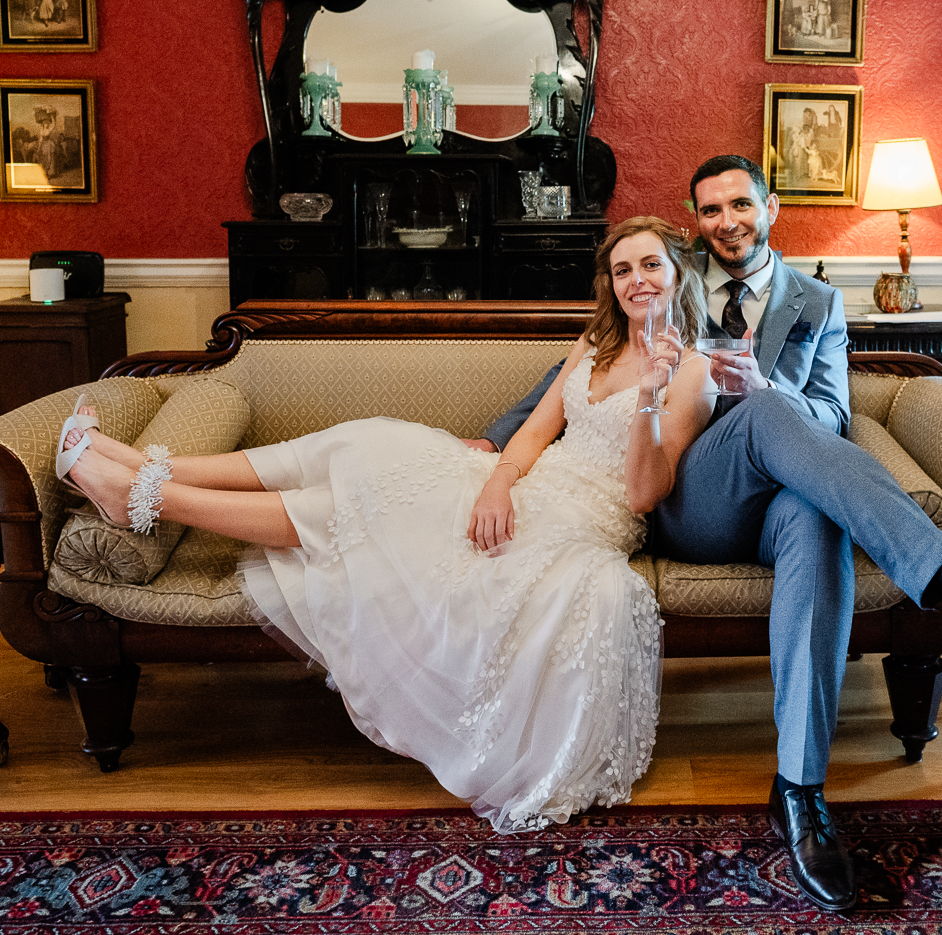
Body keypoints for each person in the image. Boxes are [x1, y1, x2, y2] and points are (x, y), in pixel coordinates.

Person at [473, 155, 942, 911]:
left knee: (812, 507)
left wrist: (759, 390)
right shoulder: (664, 279)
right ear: (696, 221)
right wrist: (497, 445)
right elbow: (586, 368)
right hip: (695, 499)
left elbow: (838, 419)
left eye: (740, 205)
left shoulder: (816, 303)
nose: (726, 222)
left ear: (769, 206)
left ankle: (801, 793)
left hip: (785, 493)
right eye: (710, 211)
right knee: (773, 417)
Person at [55, 218, 715, 832]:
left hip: (583, 522)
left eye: (651, 265)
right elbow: (536, 434)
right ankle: (142, 466)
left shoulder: (692, 374)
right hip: (524, 491)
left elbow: (641, 494)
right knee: (361, 448)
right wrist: (496, 483)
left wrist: (651, 398)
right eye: (623, 270)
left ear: (678, 274)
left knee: (353, 508)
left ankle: (145, 494)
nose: (638, 281)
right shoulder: (593, 345)